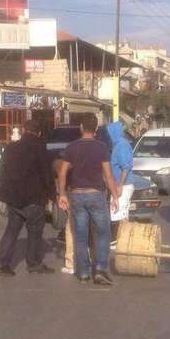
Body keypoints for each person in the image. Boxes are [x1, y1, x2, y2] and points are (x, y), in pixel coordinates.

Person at [57, 114, 119, 286]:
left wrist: (62, 194)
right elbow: (108, 175)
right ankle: (100, 269)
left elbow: (62, 172)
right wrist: (114, 196)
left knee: (81, 235)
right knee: (102, 233)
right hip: (95, 195)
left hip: (76, 195)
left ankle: (83, 273)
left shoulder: (71, 147)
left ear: (81, 128)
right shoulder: (102, 147)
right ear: (96, 129)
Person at [0, 119, 55, 276]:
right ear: (39, 132)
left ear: (23, 130)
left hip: (13, 198)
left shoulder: (10, 148)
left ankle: (2, 263)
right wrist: (52, 195)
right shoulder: (40, 148)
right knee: (35, 232)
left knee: (11, 230)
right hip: (34, 198)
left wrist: (8, 186)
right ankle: (33, 263)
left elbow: (0, 170)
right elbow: (46, 174)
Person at [106, 121, 135, 225]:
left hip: (123, 185)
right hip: (119, 185)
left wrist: (119, 185)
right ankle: (122, 238)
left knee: (119, 216)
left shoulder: (121, 146)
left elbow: (125, 167)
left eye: (108, 133)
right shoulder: (116, 145)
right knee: (120, 214)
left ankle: (121, 238)